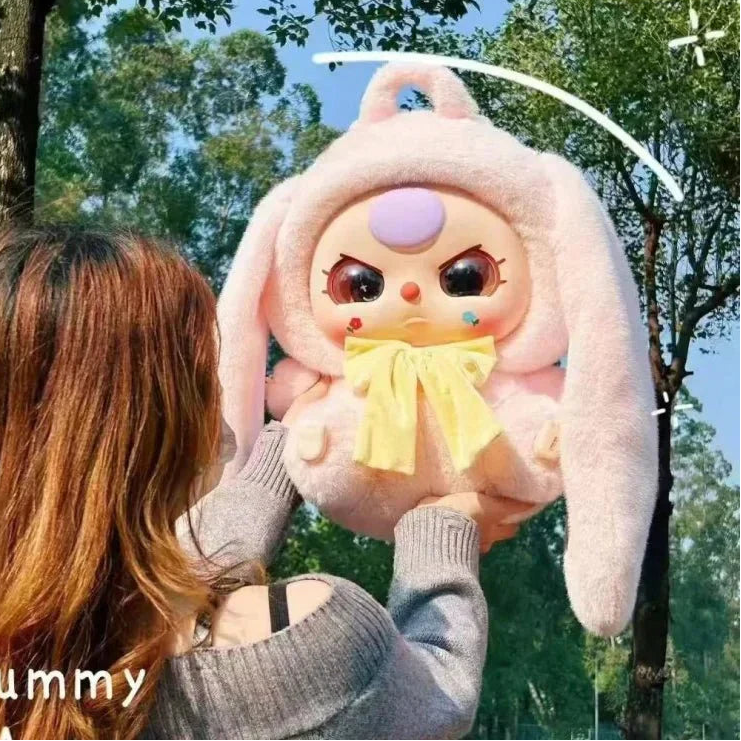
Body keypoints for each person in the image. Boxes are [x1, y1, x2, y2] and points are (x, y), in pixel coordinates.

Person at [0, 227, 526, 741]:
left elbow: (180, 567)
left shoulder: (38, 654)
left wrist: (292, 447)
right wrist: (439, 529)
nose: (221, 381)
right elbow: (440, 694)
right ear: (164, 411)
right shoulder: (313, 642)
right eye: (204, 363)